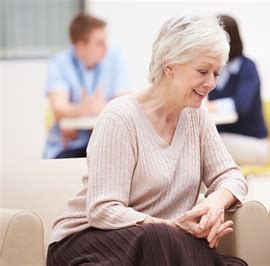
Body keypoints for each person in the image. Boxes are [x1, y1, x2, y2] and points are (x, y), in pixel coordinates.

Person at [46, 15, 248, 265]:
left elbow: (232, 176)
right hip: (89, 242)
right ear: (169, 66)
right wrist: (173, 227)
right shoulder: (120, 117)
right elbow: (102, 210)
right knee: (162, 240)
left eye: (216, 73)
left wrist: (215, 204)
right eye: (203, 71)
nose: (211, 83)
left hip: (159, 243)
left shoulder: (196, 116)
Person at [44, 13, 130, 159]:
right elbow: (59, 108)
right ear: (80, 46)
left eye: (105, 40)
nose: (106, 47)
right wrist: (89, 109)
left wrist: (79, 111)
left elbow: (125, 103)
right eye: (99, 43)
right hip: (70, 145)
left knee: (122, 159)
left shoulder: (114, 57)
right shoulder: (59, 63)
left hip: (105, 144)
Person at [207, 15, 270, 166]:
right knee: (201, 143)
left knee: (205, 146)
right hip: (227, 138)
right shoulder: (216, 70)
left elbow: (241, 105)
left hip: (254, 143)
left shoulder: (248, 68)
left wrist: (213, 106)